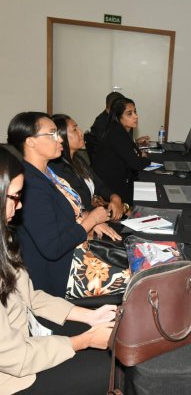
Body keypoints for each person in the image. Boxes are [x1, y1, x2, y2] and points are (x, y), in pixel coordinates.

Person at [0, 146, 116, 395]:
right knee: (111, 369)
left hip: (25, 339)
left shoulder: (4, 240)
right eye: (15, 198)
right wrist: (83, 342)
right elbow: (15, 358)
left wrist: (89, 316)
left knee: (115, 344)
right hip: (11, 377)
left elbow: (31, 297)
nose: (19, 207)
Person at [7, 112, 122, 298]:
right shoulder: (30, 185)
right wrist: (91, 220)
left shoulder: (49, 172)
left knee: (141, 259)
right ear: (30, 142)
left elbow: (63, 216)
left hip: (77, 253)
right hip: (62, 273)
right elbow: (53, 248)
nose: (59, 138)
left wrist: (86, 218)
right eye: (51, 134)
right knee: (139, 281)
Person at [49, 114, 127, 219]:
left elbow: (99, 185)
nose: (81, 132)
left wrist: (115, 198)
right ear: (61, 136)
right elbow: (78, 210)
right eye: (75, 129)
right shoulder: (57, 169)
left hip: (96, 216)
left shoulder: (78, 159)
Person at [92, 97, 152, 204]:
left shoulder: (120, 130)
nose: (136, 116)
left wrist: (139, 155)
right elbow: (137, 164)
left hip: (118, 180)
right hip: (112, 189)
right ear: (118, 117)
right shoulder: (116, 134)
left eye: (135, 112)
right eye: (129, 113)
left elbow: (134, 152)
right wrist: (146, 159)